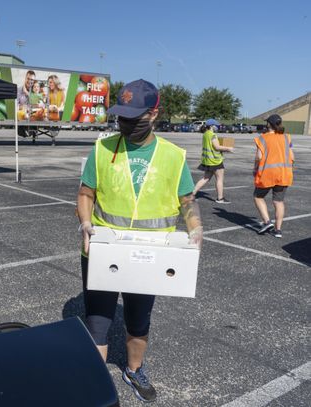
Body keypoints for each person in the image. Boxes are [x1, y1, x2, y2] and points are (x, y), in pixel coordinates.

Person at [77, 79, 202, 403]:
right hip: (103, 251)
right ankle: (93, 381)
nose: (127, 124)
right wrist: (87, 223)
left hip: (150, 256)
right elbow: (85, 193)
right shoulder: (102, 149)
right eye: (122, 117)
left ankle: (134, 369)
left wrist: (195, 228)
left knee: (138, 319)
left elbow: (187, 200)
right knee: (98, 322)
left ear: (154, 113)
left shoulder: (173, 156)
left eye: (134, 117)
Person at [253, 114, 294, 238]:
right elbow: (292, 157)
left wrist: (255, 169)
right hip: (284, 174)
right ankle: (278, 230)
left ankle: (266, 222)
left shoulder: (262, 138)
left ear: (268, 124)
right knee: (279, 201)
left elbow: (259, 157)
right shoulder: (287, 137)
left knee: (258, 197)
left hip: (267, 174)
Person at [192, 119, 234, 203]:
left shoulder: (205, 134)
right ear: (211, 126)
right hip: (215, 161)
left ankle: (191, 194)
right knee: (219, 179)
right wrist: (228, 148)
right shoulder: (212, 135)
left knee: (206, 178)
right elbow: (217, 147)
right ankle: (220, 198)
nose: (217, 127)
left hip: (207, 160)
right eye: (216, 125)